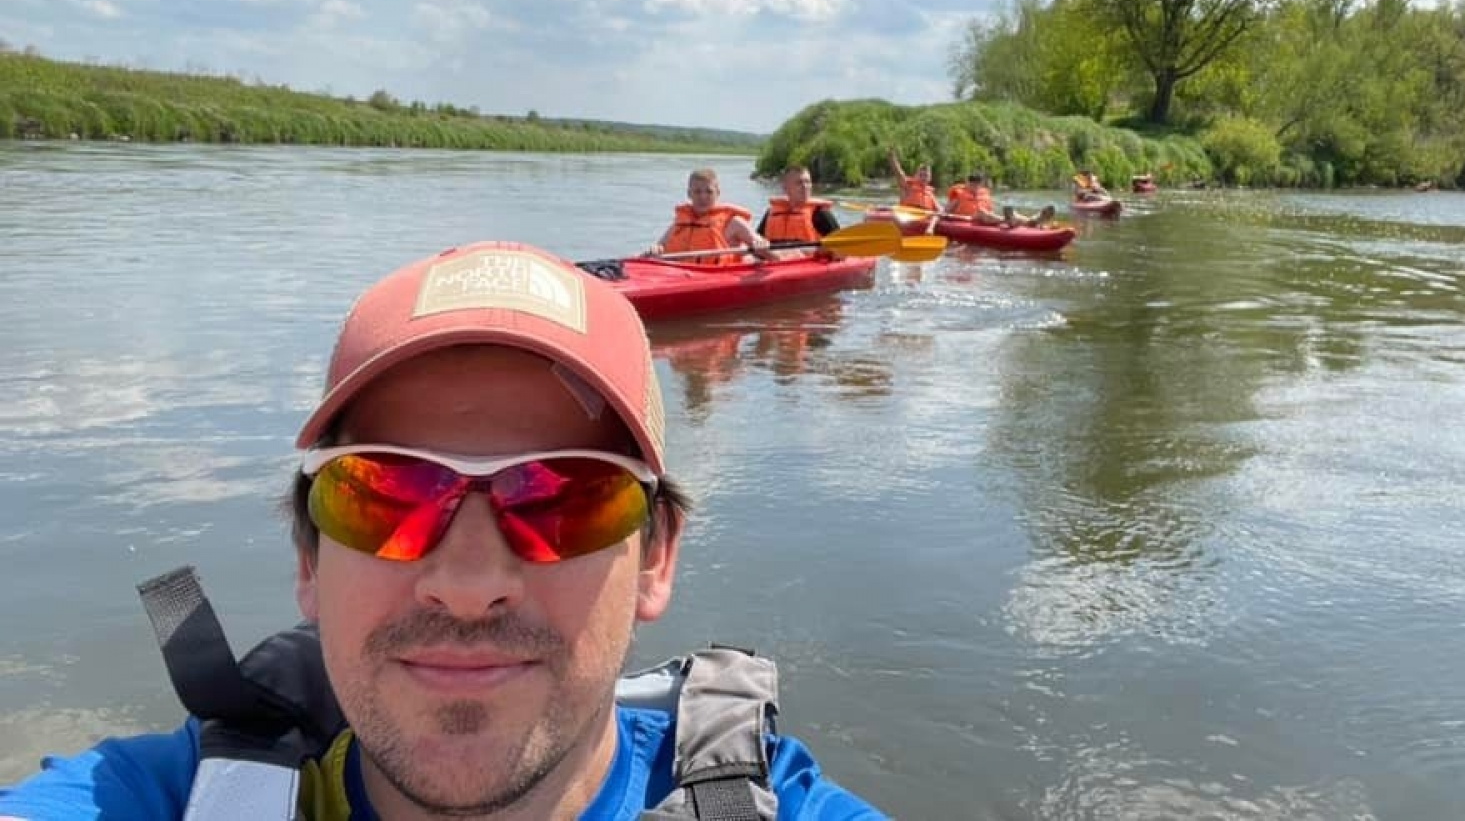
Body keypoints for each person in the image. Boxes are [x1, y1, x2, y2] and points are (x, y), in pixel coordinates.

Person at [0, 241, 888, 820]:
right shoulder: (146, 800)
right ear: (307, 559)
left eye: (565, 500)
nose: (467, 583)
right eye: (384, 496)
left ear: (655, 557)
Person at [648, 167, 771, 265]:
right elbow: (659, 247)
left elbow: (767, 250)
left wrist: (762, 246)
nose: (703, 197)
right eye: (697, 191)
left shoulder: (734, 223)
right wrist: (655, 250)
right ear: (689, 194)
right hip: (680, 276)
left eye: (709, 191)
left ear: (717, 193)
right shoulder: (679, 223)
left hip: (717, 278)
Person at [757, 165, 841, 255]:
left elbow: (840, 246)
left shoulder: (820, 214)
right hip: (775, 261)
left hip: (807, 262)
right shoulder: (771, 212)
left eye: (808, 182)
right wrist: (759, 244)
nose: (805, 186)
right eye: (799, 183)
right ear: (785, 187)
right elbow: (757, 240)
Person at [944, 173, 1055, 228]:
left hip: (987, 219)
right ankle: (1010, 221)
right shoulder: (959, 194)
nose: (975, 185)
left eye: (978, 183)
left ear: (981, 183)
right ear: (968, 182)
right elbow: (945, 211)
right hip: (969, 220)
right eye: (973, 182)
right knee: (981, 212)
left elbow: (991, 211)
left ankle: (1032, 221)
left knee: (1013, 213)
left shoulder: (984, 193)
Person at [887, 148, 939, 213]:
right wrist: (892, 158)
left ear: (930, 178)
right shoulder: (908, 186)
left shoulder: (930, 194)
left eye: (925, 175)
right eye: (920, 175)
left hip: (924, 218)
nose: (923, 178)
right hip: (906, 215)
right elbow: (898, 173)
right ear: (915, 176)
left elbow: (940, 211)